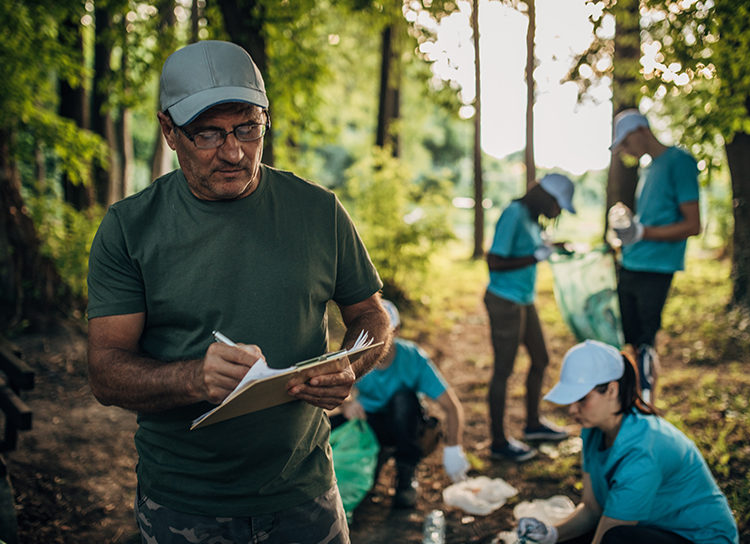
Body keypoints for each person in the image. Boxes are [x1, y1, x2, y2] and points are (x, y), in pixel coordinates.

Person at [85, 40, 391, 544]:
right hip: (183, 503)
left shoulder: (318, 212)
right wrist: (192, 378)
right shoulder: (129, 228)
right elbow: (105, 372)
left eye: (248, 127)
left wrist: (349, 365)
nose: (234, 152)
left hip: (306, 491)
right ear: (168, 131)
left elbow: (371, 315)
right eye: (208, 133)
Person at [516, 340, 738, 544]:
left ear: (612, 389)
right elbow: (592, 509)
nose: (572, 410)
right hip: (650, 530)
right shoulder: (592, 431)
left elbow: (612, 532)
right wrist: (552, 534)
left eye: (582, 398)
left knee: (615, 538)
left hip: (697, 539)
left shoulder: (643, 450)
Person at [330, 299, 470, 508]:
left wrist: (453, 448)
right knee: (325, 429)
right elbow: (336, 389)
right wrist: (348, 404)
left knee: (404, 398)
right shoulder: (355, 356)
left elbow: (451, 405)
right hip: (369, 422)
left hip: (406, 424)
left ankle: (406, 475)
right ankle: (348, 475)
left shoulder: (412, 357)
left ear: (394, 332)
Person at [609, 109, 701, 405]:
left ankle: (648, 408)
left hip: (655, 270)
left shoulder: (680, 162)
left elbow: (692, 224)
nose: (624, 151)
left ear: (641, 131)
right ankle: (632, 403)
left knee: (647, 345)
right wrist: (627, 233)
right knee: (632, 344)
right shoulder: (648, 168)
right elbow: (649, 221)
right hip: (630, 264)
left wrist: (643, 233)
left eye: (625, 143)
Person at [484, 173, 576, 462]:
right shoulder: (514, 213)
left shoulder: (532, 218)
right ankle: (499, 443)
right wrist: (535, 257)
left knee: (541, 358)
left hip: (525, 299)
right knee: (504, 370)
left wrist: (554, 248)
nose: (558, 212)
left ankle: (533, 425)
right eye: (558, 205)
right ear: (545, 197)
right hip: (505, 301)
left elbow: (531, 248)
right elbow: (494, 261)